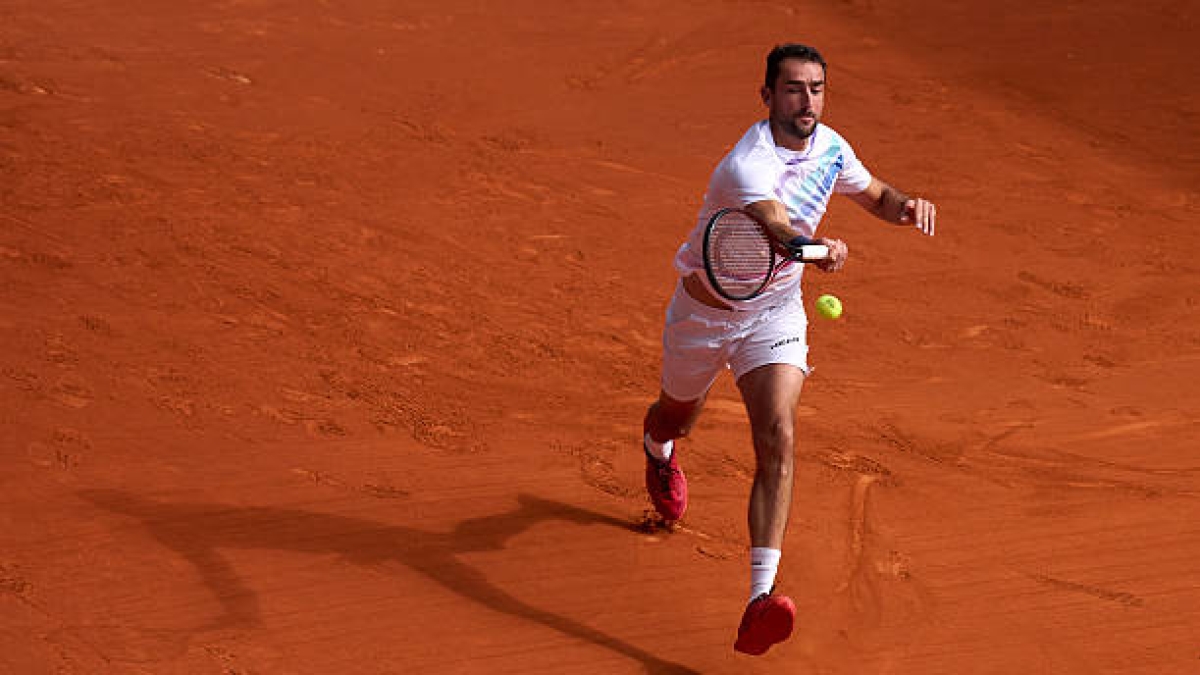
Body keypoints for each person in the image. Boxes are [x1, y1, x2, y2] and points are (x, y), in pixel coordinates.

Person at [641, 43, 936, 656]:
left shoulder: (832, 147)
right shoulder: (747, 164)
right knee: (676, 416)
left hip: (774, 314)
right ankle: (658, 450)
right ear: (768, 96)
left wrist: (907, 207)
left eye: (817, 89)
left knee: (778, 431)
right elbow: (779, 229)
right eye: (795, 89)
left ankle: (760, 598)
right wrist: (820, 250)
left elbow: (876, 194)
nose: (808, 101)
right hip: (704, 317)